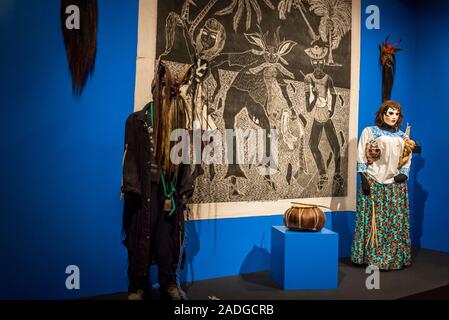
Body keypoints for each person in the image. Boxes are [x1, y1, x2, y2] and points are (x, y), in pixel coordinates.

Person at [121, 63, 194, 300]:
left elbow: (184, 161)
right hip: (145, 193)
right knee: (140, 237)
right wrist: (132, 188)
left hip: (169, 192)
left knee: (168, 240)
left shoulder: (181, 124)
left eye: (175, 90)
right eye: (167, 88)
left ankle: (168, 282)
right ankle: (137, 285)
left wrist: (183, 189)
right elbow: (130, 157)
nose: (172, 93)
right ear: (157, 87)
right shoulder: (136, 121)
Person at [351, 100, 413, 270]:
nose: (393, 117)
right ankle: (371, 257)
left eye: (397, 114)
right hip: (373, 181)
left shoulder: (403, 136)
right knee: (373, 221)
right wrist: (362, 177)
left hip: (395, 183)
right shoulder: (370, 132)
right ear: (382, 114)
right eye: (390, 113)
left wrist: (404, 173)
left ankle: (392, 258)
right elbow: (361, 154)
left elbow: (407, 155)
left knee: (393, 222)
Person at [304, 45, 343, 192]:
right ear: (311, 62)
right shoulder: (308, 78)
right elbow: (308, 107)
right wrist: (315, 97)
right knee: (313, 145)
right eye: (315, 62)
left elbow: (333, 94)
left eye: (321, 61)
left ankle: (337, 173)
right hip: (317, 115)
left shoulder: (328, 79)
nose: (318, 65)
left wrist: (331, 109)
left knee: (336, 146)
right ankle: (323, 174)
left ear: (324, 62)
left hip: (325, 115)